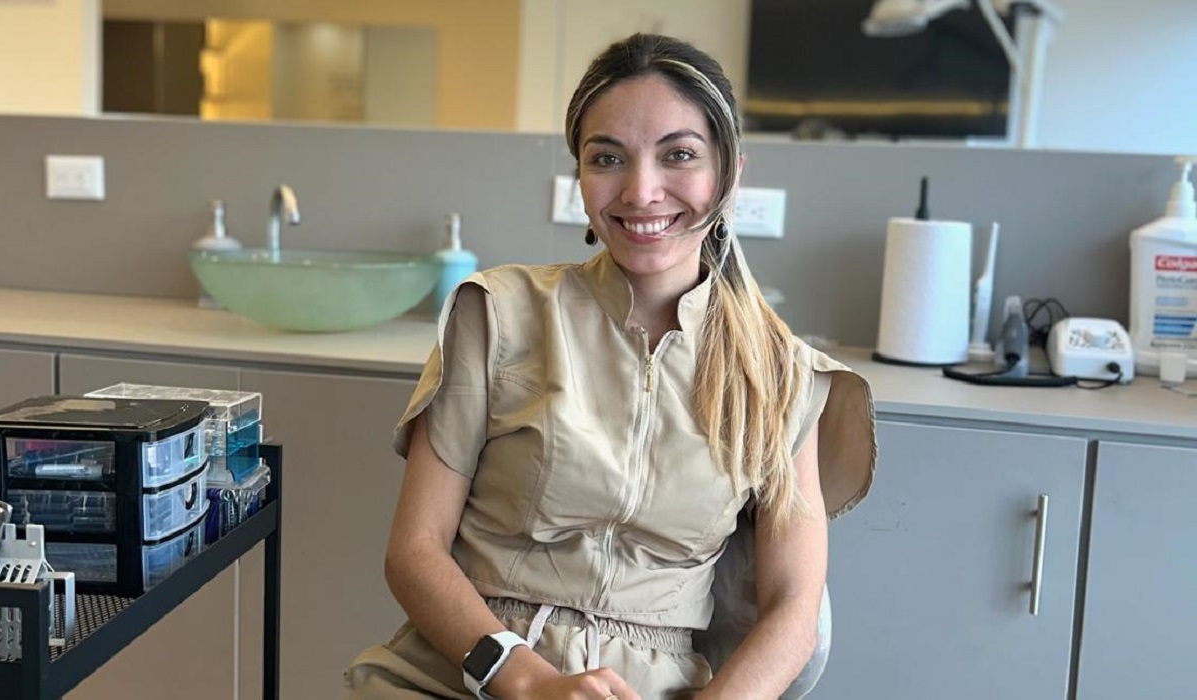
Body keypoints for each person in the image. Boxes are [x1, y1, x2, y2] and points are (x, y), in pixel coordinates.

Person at [344, 33, 875, 700]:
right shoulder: (498, 314)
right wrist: (529, 682)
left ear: (730, 173)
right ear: (580, 175)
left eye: (678, 154)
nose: (641, 190)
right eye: (607, 158)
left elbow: (794, 607)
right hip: (467, 674)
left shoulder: (783, 375)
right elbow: (414, 551)